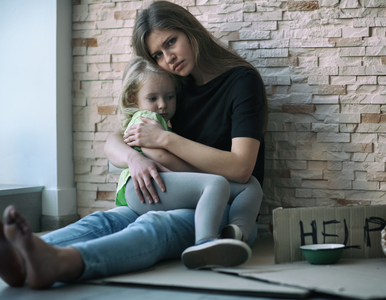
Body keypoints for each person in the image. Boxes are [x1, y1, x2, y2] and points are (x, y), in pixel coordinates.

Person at [0, 0, 266, 289]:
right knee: (109, 219)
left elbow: (241, 168)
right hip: (170, 190)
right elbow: (115, 138)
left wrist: (165, 139)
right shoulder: (173, 86)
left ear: (191, 31)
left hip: (220, 208)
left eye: (172, 42)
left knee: (155, 226)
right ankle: (18, 256)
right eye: (158, 54)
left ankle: (61, 262)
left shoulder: (242, 81)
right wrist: (133, 159)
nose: (169, 58)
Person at [115, 56, 263, 268]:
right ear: (133, 98)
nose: (162, 104)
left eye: (169, 97)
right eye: (152, 98)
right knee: (216, 184)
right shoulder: (147, 118)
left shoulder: (164, 121)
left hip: (160, 183)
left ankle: (235, 235)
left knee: (251, 186)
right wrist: (205, 174)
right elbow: (159, 156)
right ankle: (204, 244)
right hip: (143, 185)